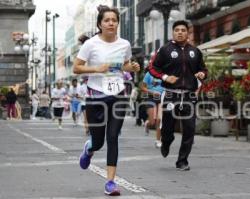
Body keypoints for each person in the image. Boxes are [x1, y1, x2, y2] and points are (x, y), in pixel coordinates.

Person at [73, 5, 140, 196]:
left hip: (118, 94)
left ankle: (110, 182)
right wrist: (97, 69)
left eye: (114, 20)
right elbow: (76, 68)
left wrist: (132, 67)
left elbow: (124, 66)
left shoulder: (124, 44)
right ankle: (89, 148)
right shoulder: (91, 44)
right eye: (107, 20)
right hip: (96, 96)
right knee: (98, 142)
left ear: (118, 23)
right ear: (100, 24)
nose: (111, 23)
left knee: (113, 138)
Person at [149, 20, 207, 171]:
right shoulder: (165, 50)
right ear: (173, 32)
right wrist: (165, 77)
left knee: (189, 129)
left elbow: (203, 70)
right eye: (177, 30)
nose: (180, 32)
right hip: (170, 94)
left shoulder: (195, 51)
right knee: (167, 129)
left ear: (188, 33)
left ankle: (182, 161)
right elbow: (153, 68)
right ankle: (167, 141)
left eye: (183, 30)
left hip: (188, 96)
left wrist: (202, 74)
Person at [140, 69, 163, 148]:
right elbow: (142, 87)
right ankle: (147, 124)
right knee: (152, 121)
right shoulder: (149, 74)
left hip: (162, 98)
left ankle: (158, 140)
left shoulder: (165, 73)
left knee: (159, 119)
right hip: (151, 98)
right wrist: (152, 92)